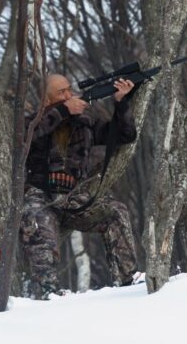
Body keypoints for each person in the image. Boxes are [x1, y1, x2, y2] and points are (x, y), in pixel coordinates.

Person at [21, 73, 141, 299]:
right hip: (41, 195)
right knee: (36, 226)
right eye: (62, 92)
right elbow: (25, 137)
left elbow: (125, 135)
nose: (69, 95)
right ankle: (47, 293)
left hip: (74, 197)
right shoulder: (33, 122)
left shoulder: (84, 121)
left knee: (115, 211)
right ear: (46, 100)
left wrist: (121, 102)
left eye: (69, 90)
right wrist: (63, 111)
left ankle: (128, 280)